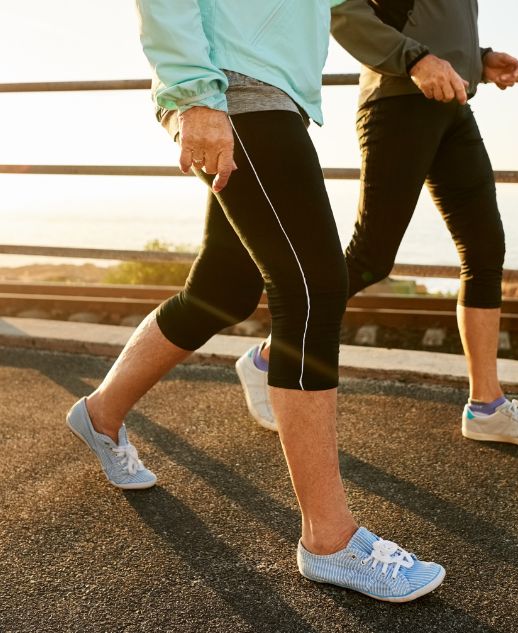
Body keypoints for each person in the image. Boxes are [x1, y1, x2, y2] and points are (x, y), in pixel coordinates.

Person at [65, 0, 444, 603]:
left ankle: (100, 414)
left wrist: (459, 55)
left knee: (222, 290)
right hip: (232, 88)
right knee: (313, 290)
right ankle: (329, 540)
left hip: (273, 91)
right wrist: (193, 95)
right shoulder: (217, 91)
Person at [237, 0, 518, 449]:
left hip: (452, 104)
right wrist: (415, 59)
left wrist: (478, 57)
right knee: (371, 257)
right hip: (398, 103)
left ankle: (486, 407)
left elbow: (433, 15)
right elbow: (343, 10)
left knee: (486, 250)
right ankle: (269, 357)